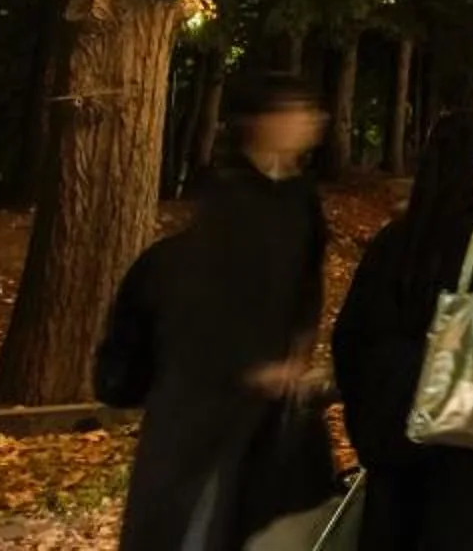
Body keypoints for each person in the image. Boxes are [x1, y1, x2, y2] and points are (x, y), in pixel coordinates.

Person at [100, 73, 337, 551]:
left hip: (270, 413)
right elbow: (204, 304)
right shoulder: (228, 202)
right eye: (293, 111)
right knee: (201, 522)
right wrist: (251, 367)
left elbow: (304, 289)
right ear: (260, 122)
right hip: (208, 405)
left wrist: (295, 354)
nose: (307, 123)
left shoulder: (299, 201)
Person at [332, 108, 473, 551]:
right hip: (466, 425)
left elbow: (351, 337)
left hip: (398, 423)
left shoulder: (396, 240)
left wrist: (370, 415)